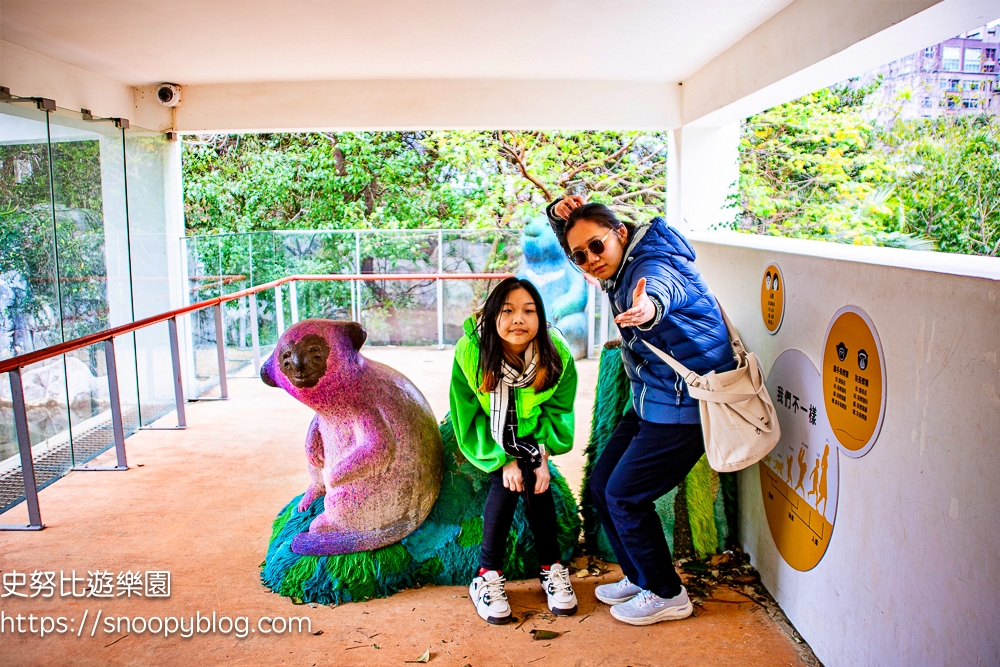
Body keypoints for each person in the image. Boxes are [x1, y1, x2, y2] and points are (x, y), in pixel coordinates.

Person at [547, 196, 736, 626]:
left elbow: (660, 289)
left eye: (596, 246)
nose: (590, 260)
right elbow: (578, 241)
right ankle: (641, 574)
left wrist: (648, 308)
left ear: (621, 233)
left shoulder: (652, 264)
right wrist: (557, 211)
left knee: (626, 496)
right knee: (600, 485)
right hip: (653, 399)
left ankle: (668, 594)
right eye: (580, 255)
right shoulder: (618, 263)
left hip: (687, 406)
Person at [449, 277, 579, 625]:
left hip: (534, 435)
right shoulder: (471, 353)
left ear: (540, 317)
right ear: (492, 316)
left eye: (528, 311)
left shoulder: (557, 355)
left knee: (538, 484)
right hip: (488, 434)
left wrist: (543, 455)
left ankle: (551, 568)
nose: (518, 319)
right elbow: (467, 414)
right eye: (507, 311)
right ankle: (486, 574)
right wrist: (502, 459)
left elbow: (560, 409)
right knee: (507, 484)